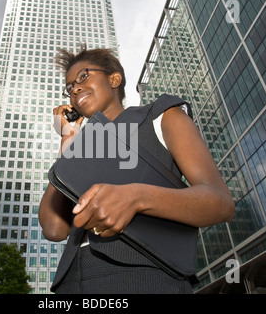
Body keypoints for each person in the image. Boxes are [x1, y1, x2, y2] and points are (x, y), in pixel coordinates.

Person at [39, 46, 235, 294]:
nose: (74, 89)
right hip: (71, 283)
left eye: (83, 76)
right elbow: (54, 228)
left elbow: (220, 202)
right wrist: (68, 138)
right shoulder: (82, 147)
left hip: (146, 278)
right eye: (69, 88)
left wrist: (137, 197)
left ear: (114, 79)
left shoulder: (160, 116)